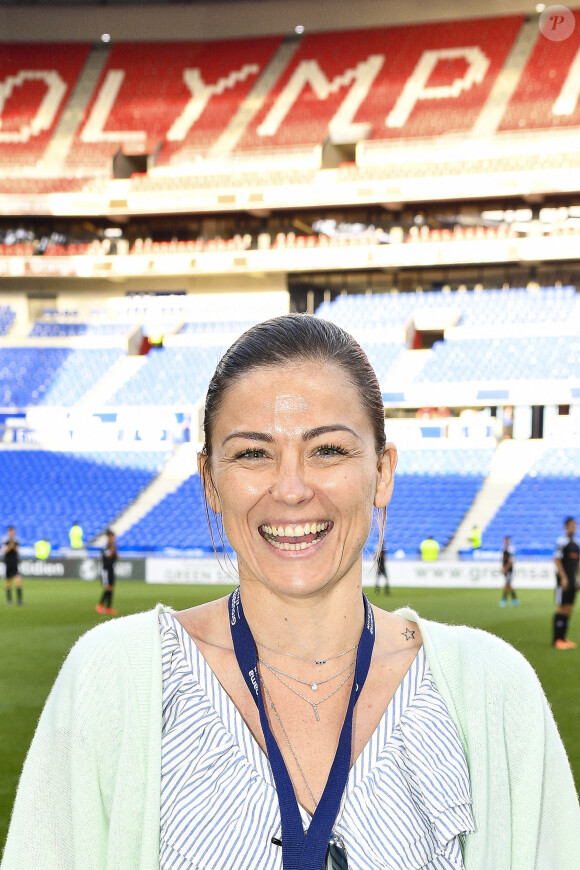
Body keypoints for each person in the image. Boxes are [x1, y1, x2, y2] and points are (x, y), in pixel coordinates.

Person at [2, 314, 580, 870]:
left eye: (327, 449)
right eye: (253, 453)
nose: (292, 489)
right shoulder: (114, 681)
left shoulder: (494, 694)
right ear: (210, 481)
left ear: (382, 471)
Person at [553, 516, 579, 650]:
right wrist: (563, 577)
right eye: (571, 525)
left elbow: (577, 564)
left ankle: (563, 638)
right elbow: (556, 559)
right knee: (561, 608)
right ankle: (557, 639)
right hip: (563, 582)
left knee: (569, 609)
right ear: (566, 527)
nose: (573, 528)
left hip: (573, 582)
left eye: (575, 525)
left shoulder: (576, 544)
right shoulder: (561, 542)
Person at [95, 528, 118, 616]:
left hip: (111, 569)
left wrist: (114, 547)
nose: (113, 539)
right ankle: (100, 605)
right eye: (111, 537)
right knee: (108, 588)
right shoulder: (105, 547)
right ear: (108, 537)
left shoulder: (113, 546)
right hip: (106, 570)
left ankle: (108, 607)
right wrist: (112, 546)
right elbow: (109, 556)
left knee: (111, 588)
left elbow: (116, 556)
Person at [2, 525, 22, 606]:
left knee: (18, 580)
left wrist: (14, 546)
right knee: (8, 582)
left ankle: (19, 600)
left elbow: (18, 551)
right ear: (8, 532)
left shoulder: (16, 540)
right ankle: (9, 600)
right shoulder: (4, 540)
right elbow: (4, 551)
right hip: (8, 563)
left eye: (13, 531)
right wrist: (10, 546)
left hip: (15, 563)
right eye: (10, 531)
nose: (11, 533)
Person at [499, 535, 518, 607]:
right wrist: (502, 568)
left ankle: (504, 600)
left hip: (509, 570)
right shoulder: (503, 549)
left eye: (507, 540)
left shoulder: (511, 549)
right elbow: (503, 560)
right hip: (505, 570)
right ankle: (515, 599)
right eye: (505, 540)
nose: (506, 541)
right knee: (509, 585)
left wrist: (505, 569)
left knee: (507, 584)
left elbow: (511, 561)